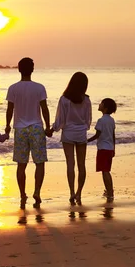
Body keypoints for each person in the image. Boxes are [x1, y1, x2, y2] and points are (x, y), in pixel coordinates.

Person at [5, 57, 51, 208]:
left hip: (20, 128)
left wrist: (7, 126)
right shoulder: (39, 88)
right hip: (37, 127)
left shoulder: (13, 88)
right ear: (32, 69)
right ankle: (37, 191)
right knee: (39, 163)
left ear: (19, 69)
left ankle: (22, 194)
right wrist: (48, 126)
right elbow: (44, 108)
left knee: (21, 164)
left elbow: (10, 109)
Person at [49, 72, 92, 206]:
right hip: (81, 134)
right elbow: (88, 121)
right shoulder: (86, 100)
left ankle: (72, 192)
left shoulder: (64, 99)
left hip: (68, 134)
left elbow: (60, 120)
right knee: (81, 165)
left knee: (70, 165)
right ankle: (79, 192)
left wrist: (52, 129)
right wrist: (83, 127)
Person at [87, 98, 117, 202]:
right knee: (107, 171)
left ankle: (110, 192)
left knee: (105, 172)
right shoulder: (111, 120)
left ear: (105, 107)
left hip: (103, 149)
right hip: (109, 148)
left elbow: (97, 135)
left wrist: (86, 140)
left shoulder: (101, 120)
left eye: (101, 103)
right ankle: (109, 190)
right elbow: (113, 136)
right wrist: (114, 148)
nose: (99, 104)